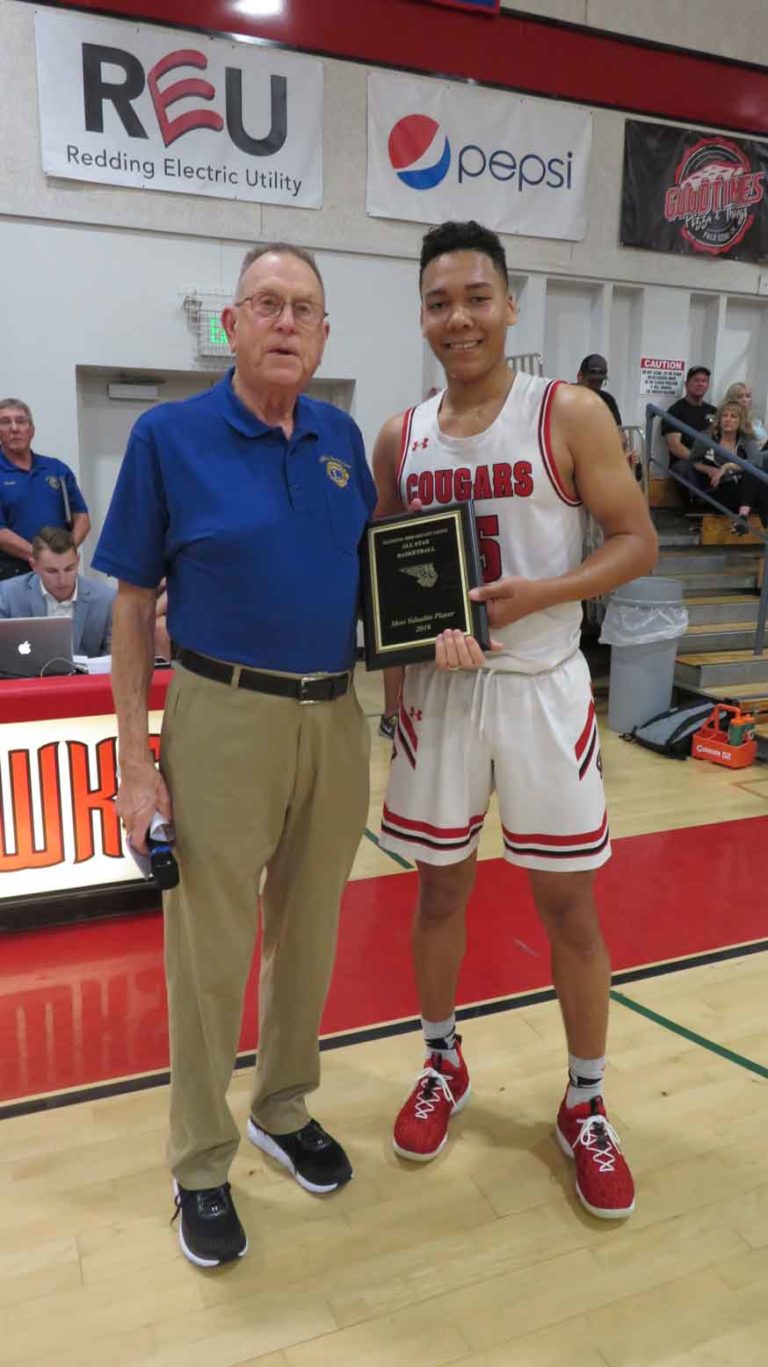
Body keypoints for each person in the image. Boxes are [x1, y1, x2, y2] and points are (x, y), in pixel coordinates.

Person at [92, 242, 376, 1268]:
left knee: (309, 935)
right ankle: (201, 1158)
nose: (287, 321)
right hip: (222, 712)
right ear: (232, 323)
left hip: (335, 717)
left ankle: (283, 1103)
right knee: (208, 955)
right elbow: (130, 602)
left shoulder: (345, 439)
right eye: (268, 303)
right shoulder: (170, 436)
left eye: (305, 307)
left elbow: (378, 586)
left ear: (325, 332)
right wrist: (135, 760)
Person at [373, 220, 657, 1221]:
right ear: (423, 314)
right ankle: (444, 1061)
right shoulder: (400, 437)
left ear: (509, 305)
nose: (460, 317)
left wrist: (542, 593)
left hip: (541, 683)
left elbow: (637, 541)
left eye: (477, 297)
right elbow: (389, 567)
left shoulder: (566, 412)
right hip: (446, 696)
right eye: (441, 301)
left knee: (569, 907)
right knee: (440, 891)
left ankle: (585, 1100)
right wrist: (404, 664)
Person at [0, 398, 90, 580]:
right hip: (11, 575)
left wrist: (63, 554)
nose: (14, 428)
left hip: (59, 574)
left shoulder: (57, 469)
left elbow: (82, 518)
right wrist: (41, 557)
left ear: (31, 431)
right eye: (5, 422)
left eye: (21, 421)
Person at [0, 525, 114, 656]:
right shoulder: (8, 595)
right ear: (34, 566)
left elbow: (114, 659)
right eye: (52, 571)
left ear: (78, 561)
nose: (62, 580)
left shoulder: (106, 600)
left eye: (69, 569)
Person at [688, 399, 768, 532]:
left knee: (753, 474)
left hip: (744, 490)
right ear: (719, 420)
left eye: (733, 416)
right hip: (719, 488)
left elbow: (757, 462)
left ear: (740, 421)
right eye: (724, 416)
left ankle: (742, 517)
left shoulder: (746, 439)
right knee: (758, 482)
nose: (728, 420)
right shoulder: (707, 438)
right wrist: (709, 469)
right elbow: (693, 461)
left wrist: (729, 465)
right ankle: (744, 520)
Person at [661, 367, 717, 491]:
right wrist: (699, 463)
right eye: (696, 380)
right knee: (685, 469)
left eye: (704, 381)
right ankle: (696, 506)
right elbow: (674, 446)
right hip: (686, 462)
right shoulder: (675, 411)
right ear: (687, 384)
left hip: (711, 460)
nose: (700, 384)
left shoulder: (714, 411)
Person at [722, 381, 768, 463]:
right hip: (746, 460)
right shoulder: (729, 421)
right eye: (740, 397)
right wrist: (759, 444)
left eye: (747, 396)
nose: (744, 400)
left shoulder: (756, 421)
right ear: (731, 400)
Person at [576, 354, 622, 427]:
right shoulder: (566, 400)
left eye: (599, 382)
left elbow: (618, 429)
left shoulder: (608, 401)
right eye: (591, 382)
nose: (595, 387)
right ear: (580, 377)